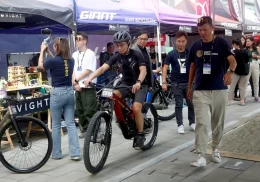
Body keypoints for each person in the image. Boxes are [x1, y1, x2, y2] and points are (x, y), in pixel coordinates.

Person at [84, 31, 148, 150]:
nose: (119, 47)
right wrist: (89, 78)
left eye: (122, 45)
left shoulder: (136, 54)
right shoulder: (117, 56)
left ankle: (140, 134)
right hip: (125, 84)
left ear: (128, 43)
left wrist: (139, 82)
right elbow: (103, 68)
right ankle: (124, 117)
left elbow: (143, 70)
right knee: (112, 95)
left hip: (140, 84)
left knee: (136, 108)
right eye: (117, 45)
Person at [187, 16, 236, 167]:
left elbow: (232, 60)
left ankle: (215, 149)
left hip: (219, 90)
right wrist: (189, 86)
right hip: (200, 90)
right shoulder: (196, 45)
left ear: (212, 28)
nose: (202, 33)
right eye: (200, 30)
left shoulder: (221, 42)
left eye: (205, 30)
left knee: (218, 122)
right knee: (201, 122)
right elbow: (193, 67)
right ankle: (201, 154)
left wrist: (230, 72)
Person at [38, 37, 81, 161]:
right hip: (69, 92)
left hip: (58, 93)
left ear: (57, 47)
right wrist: (50, 53)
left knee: (56, 125)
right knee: (71, 124)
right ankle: (75, 153)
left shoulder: (54, 61)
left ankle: (56, 153)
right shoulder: (71, 60)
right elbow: (59, 63)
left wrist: (42, 51)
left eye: (54, 45)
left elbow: (40, 66)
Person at [162, 31, 195, 134]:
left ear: (186, 41)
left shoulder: (189, 52)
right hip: (176, 83)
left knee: (191, 103)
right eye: (178, 41)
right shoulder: (171, 54)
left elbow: (195, 66)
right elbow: (165, 67)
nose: (181, 43)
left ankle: (192, 122)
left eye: (183, 41)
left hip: (189, 83)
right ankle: (180, 124)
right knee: (178, 104)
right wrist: (163, 82)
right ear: (175, 41)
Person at [72, 32, 97, 138]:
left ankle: (94, 130)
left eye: (79, 39)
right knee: (79, 110)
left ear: (85, 41)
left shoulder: (90, 53)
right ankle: (86, 130)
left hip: (88, 86)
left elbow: (88, 70)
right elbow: (73, 70)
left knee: (89, 110)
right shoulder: (74, 55)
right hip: (78, 86)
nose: (77, 40)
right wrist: (74, 82)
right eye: (76, 39)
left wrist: (77, 80)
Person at [228, 39, 249, 106]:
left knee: (232, 86)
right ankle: (242, 101)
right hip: (244, 71)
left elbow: (231, 61)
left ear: (234, 44)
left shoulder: (234, 52)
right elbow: (247, 61)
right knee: (242, 87)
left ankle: (229, 101)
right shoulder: (245, 51)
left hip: (236, 71)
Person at [245, 36, 260, 102]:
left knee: (256, 81)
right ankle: (243, 97)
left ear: (252, 42)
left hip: (255, 65)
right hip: (248, 65)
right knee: (245, 81)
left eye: (248, 41)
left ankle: (256, 96)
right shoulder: (245, 49)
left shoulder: (257, 48)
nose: (247, 42)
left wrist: (256, 56)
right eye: (246, 41)